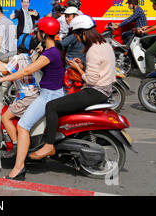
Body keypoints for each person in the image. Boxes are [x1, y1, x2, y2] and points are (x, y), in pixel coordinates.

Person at [30, 15, 115, 162]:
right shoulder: (105, 44)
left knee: (51, 106)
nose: (77, 38)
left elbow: (91, 79)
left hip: (95, 91)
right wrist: (82, 66)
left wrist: (78, 69)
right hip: (104, 89)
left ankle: (49, 145)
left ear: (83, 32)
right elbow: (101, 69)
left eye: (76, 34)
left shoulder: (93, 50)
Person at [0, 17, 65, 180]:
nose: (36, 35)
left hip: (48, 95)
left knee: (23, 126)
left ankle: (18, 168)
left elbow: (26, 71)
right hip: (51, 92)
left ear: (43, 33)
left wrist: (3, 79)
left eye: (38, 32)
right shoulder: (53, 51)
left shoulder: (50, 53)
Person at [0, 34, 40, 159]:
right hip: (35, 94)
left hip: (26, 96)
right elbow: (9, 69)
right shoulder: (32, 58)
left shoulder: (18, 58)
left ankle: (15, 146)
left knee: (6, 117)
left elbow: (4, 70)